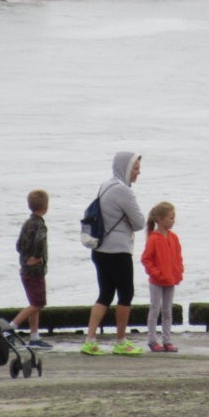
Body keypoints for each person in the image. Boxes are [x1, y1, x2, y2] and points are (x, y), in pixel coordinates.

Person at [80, 151, 146, 357]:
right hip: (118, 251)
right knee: (126, 294)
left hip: (99, 249)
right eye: (135, 168)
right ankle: (121, 341)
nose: (138, 172)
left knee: (105, 294)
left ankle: (90, 340)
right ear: (125, 168)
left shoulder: (106, 185)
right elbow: (139, 223)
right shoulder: (124, 191)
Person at [8, 189, 51, 350]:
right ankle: (10, 329)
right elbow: (40, 240)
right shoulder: (40, 225)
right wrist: (37, 257)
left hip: (24, 269)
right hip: (35, 271)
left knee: (33, 303)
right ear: (46, 207)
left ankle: (34, 337)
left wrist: (25, 257)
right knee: (38, 304)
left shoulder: (27, 223)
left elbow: (18, 245)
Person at [141, 201, 183, 353]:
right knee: (155, 309)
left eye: (173, 218)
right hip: (156, 281)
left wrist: (178, 272)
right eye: (170, 218)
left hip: (170, 280)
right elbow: (146, 259)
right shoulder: (153, 238)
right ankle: (152, 340)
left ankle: (167, 340)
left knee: (167, 311)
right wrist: (157, 273)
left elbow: (178, 257)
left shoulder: (174, 237)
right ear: (159, 219)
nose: (173, 221)